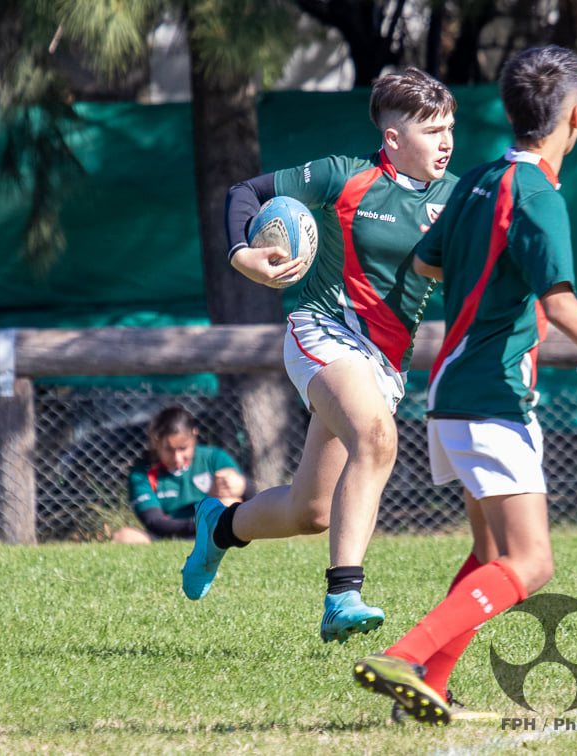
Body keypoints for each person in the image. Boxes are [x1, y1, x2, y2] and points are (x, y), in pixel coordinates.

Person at [352, 45, 577, 726]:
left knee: (489, 554)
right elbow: (561, 305)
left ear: (511, 111)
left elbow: (424, 265)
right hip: (493, 394)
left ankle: (430, 685)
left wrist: (488, 277)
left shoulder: (479, 179)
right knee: (531, 563)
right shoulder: (537, 194)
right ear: (576, 116)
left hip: (451, 390)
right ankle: (404, 655)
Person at [180, 67, 458, 646]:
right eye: (432, 130)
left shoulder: (456, 197)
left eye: (449, 127)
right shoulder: (344, 176)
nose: (446, 141)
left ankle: (220, 524)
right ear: (392, 139)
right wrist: (242, 254)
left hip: (383, 362)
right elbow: (245, 193)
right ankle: (342, 596)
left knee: (312, 512)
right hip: (323, 329)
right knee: (377, 438)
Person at [113, 405, 246, 545]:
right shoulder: (141, 474)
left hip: (213, 530)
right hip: (167, 536)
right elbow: (154, 522)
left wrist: (243, 485)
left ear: (194, 435)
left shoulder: (214, 458)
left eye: (183, 448)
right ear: (156, 442)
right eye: (169, 449)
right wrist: (201, 523)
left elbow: (251, 499)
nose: (177, 458)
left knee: (231, 501)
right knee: (124, 536)